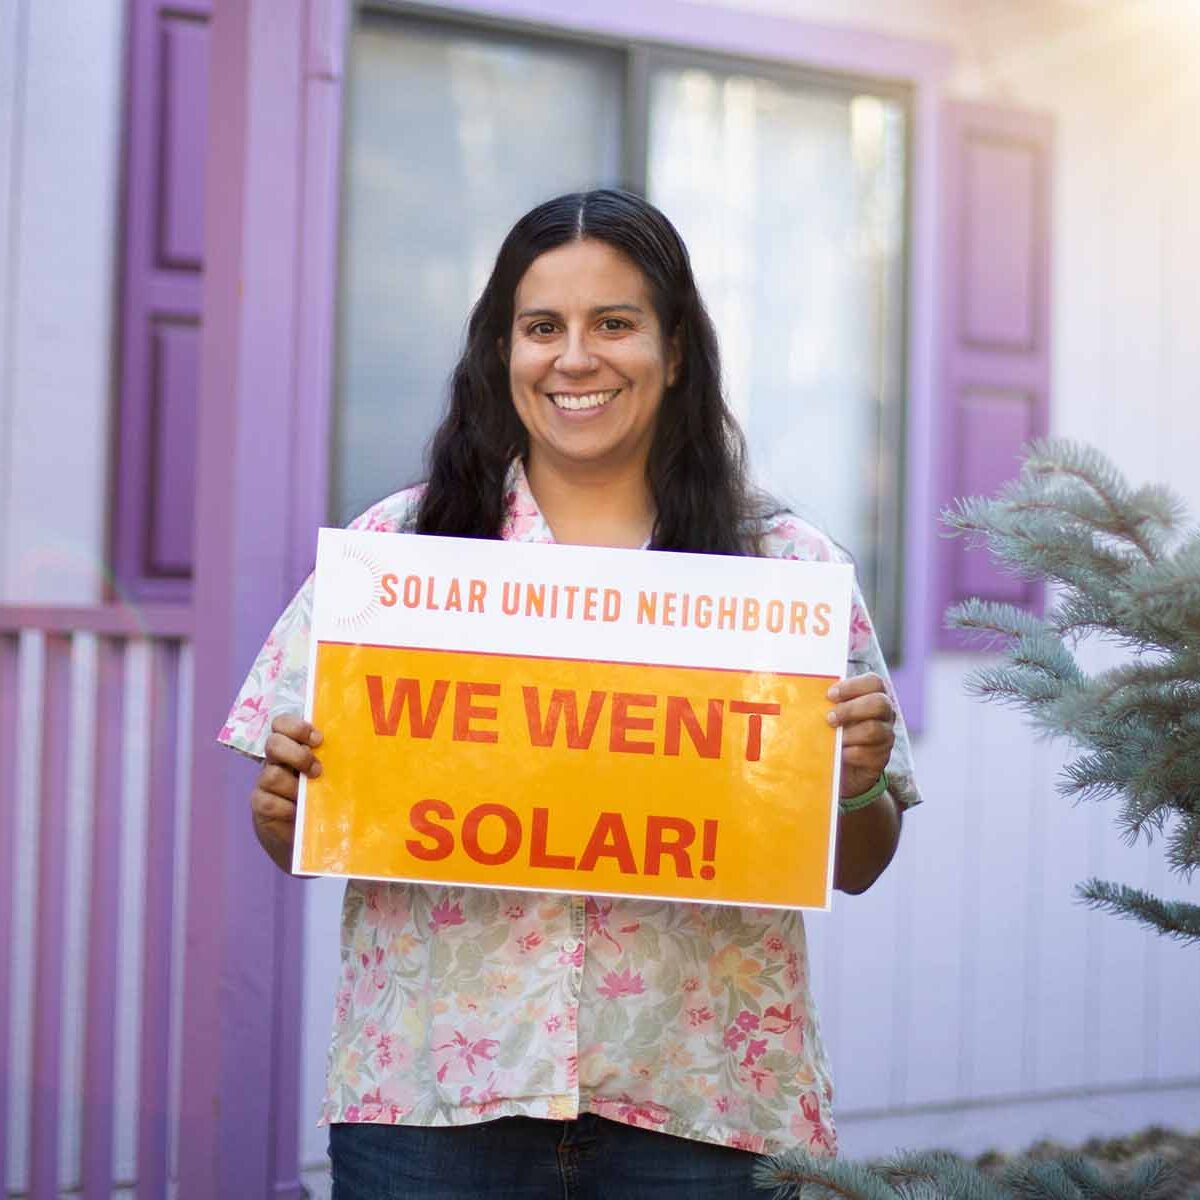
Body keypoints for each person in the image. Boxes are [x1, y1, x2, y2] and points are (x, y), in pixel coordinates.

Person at [219, 189, 920, 1199]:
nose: (575, 358)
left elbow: (857, 864)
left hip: (699, 1108)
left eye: (615, 324)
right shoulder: (395, 558)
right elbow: (302, 835)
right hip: (434, 1111)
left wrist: (855, 783)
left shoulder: (786, 572)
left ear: (675, 351)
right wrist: (281, 806)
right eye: (542, 327)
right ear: (501, 351)